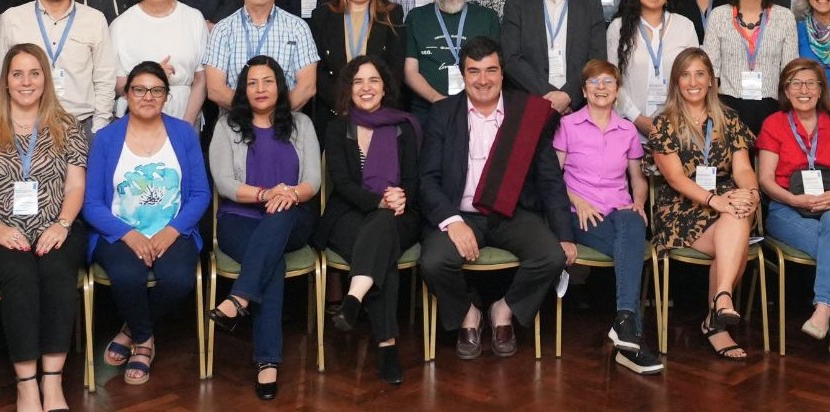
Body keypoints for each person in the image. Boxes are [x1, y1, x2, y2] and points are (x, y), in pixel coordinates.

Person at [419, 37, 574, 360]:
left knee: (552, 256)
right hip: (460, 215)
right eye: (474, 72)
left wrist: (564, 234)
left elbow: (549, 179)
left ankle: (503, 311)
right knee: (433, 262)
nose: (483, 80)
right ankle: (468, 314)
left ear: (503, 73)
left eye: (491, 70)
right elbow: (427, 180)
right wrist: (453, 222)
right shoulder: (443, 113)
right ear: (463, 74)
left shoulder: (527, 113)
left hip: (511, 214)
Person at [0, 43, 89, 412]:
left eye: (34, 73)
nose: (26, 81)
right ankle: (26, 384)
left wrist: (62, 224)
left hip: (55, 226)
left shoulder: (68, 126)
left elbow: (76, 186)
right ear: (6, 82)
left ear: (45, 79)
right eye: (17, 74)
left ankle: (53, 382)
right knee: (20, 271)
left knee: (59, 269)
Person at [83, 62, 210, 387]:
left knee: (180, 278)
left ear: (167, 96)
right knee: (127, 274)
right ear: (127, 94)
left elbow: (199, 194)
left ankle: (132, 329)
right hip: (118, 234)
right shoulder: (106, 138)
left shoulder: (183, 133)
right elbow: (92, 203)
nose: (148, 96)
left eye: (157, 90)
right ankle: (145, 341)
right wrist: (127, 233)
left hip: (174, 230)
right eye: (139, 89)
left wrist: (171, 231)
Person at [208, 57, 320, 399]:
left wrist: (287, 195)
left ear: (280, 87)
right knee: (272, 263)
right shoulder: (227, 126)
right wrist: (265, 193)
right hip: (238, 220)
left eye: (268, 81)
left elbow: (313, 181)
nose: (260, 89)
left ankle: (238, 297)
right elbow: (225, 183)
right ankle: (267, 362)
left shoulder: (302, 124)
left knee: (281, 213)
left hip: (293, 218)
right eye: (252, 82)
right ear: (243, 89)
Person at [646, 47, 760, 361]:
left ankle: (720, 304)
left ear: (711, 79)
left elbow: (743, 170)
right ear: (676, 82)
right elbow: (675, 179)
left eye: (700, 73)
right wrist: (716, 201)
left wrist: (750, 193)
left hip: (725, 200)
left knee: (737, 216)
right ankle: (717, 319)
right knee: (734, 229)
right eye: (685, 74)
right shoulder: (664, 123)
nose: (693, 81)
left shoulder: (730, 118)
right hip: (681, 207)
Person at [315, 57, 422, 384]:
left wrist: (400, 197)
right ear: (348, 88)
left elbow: (414, 180)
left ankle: (352, 299)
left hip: (399, 214)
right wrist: (380, 201)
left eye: (373, 80)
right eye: (358, 81)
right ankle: (387, 346)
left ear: (385, 86)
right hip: (348, 213)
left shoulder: (404, 126)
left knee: (381, 230)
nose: (366, 88)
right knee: (381, 247)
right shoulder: (337, 127)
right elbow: (343, 183)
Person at [756, 58, 830, 370]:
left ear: (821, 89)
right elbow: (765, 180)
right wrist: (797, 199)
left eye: (811, 83)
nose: (803, 90)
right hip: (787, 210)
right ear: (786, 90)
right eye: (796, 83)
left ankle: (822, 310)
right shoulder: (774, 124)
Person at [554, 61, 663, 374]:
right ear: (584, 90)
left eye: (608, 82)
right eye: (594, 82)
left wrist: (639, 202)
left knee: (632, 221)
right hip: (580, 215)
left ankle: (625, 324)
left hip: (618, 212)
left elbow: (637, 179)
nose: (601, 87)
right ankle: (630, 337)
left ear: (617, 91)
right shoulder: (567, 125)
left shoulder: (627, 130)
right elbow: (552, 178)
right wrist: (577, 200)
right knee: (630, 243)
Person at [0, 0, 120, 133]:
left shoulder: (94, 19)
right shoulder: (12, 18)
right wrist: (3, 125)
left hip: (81, 125)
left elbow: (105, 79)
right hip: (25, 128)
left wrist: (98, 127)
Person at [501, 0, 608, 113]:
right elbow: (511, 60)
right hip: (531, 107)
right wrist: (549, 98)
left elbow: (597, 59)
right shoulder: (516, 4)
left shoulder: (591, 4)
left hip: (579, 108)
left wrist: (568, 95)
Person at [204, 0, 320, 110]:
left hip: (284, 126)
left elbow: (307, 87)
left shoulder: (298, 28)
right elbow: (215, 90)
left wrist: (275, 117)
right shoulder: (222, 30)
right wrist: (253, 116)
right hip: (235, 126)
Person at [702, 0, 799, 129]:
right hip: (727, 109)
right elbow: (711, 72)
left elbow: (790, 73)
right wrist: (714, 114)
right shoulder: (719, 16)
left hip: (772, 109)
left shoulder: (784, 17)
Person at [109, 0, 208, 125]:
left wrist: (187, 124)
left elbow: (201, 80)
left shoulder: (193, 18)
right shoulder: (121, 25)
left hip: (185, 111)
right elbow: (118, 84)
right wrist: (152, 77)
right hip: (136, 117)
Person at [308, 0, 406, 127]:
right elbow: (318, 70)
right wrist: (343, 105)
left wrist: (373, 104)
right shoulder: (322, 16)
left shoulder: (392, 15)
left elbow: (395, 70)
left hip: (379, 113)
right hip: (335, 114)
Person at [608, 0, 700, 132]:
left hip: (677, 126)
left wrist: (673, 120)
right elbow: (612, 79)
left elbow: (693, 80)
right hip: (626, 126)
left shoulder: (685, 26)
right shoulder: (618, 27)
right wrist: (637, 118)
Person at [404, 0, 500, 113]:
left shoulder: (487, 17)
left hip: (478, 110)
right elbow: (410, 72)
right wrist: (438, 100)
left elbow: (496, 70)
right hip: (429, 110)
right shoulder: (416, 17)